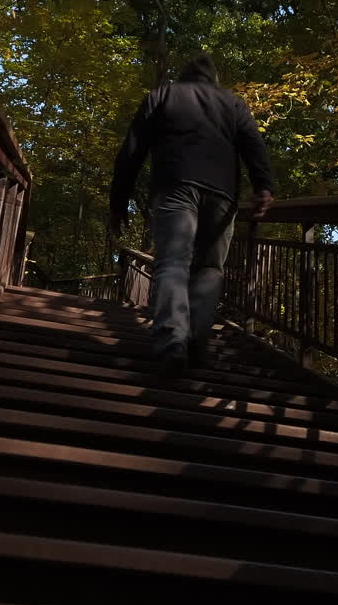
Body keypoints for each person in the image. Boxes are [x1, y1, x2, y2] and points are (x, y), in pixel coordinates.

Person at [109, 53, 274, 376]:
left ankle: (173, 340)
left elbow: (132, 150)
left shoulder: (164, 94)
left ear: (184, 76)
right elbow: (253, 144)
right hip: (223, 194)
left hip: (176, 185)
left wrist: (119, 202)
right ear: (214, 80)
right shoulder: (233, 103)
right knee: (210, 268)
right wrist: (263, 186)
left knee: (173, 262)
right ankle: (198, 344)